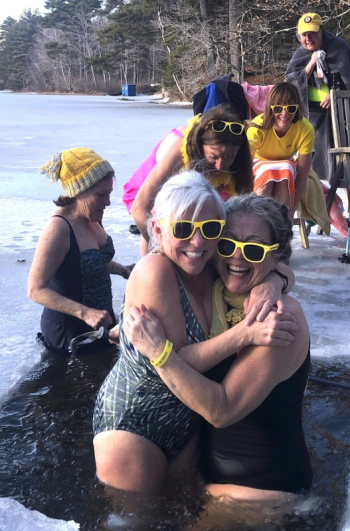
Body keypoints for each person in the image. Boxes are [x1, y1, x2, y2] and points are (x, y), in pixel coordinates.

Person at [93, 171, 297, 493]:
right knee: (135, 521)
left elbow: (275, 261)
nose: (198, 241)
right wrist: (246, 333)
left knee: (181, 514)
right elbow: (178, 360)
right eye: (184, 229)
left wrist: (275, 282)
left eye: (211, 229)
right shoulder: (156, 271)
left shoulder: (211, 262)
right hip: (136, 422)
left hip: (189, 419)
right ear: (158, 230)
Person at [27, 147, 133, 357]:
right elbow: (35, 289)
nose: (108, 202)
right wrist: (85, 313)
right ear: (78, 191)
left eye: (109, 193)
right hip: (69, 332)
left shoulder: (91, 215)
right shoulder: (59, 228)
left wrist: (122, 270)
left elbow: (90, 260)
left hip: (99, 322)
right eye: (101, 194)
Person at [122, 104, 253, 254]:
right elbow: (140, 208)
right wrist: (162, 250)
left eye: (229, 158)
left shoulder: (241, 159)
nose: (220, 166)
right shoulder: (180, 146)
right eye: (213, 157)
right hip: (149, 197)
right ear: (199, 145)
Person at [286, 12, 350, 184]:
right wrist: (312, 63)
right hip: (311, 115)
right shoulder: (301, 53)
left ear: (321, 31)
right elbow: (290, 81)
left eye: (312, 33)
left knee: (340, 160)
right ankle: (317, 192)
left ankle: (342, 201)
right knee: (313, 160)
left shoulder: (338, 47)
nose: (308, 39)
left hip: (338, 115)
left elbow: (347, 79)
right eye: (304, 35)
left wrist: (334, 94)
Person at [247, 82, 314, 219]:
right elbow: (245, 166)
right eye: (278, 108)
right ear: (270, 108)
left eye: (291, 108)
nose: (284, 114)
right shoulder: (257, 128)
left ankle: (283, 220)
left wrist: (294, 207)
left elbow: (302, 172)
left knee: (286, 168)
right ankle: (259, 219)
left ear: (297, 109)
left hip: (286, 168)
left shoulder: (305, 129)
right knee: (271, 171)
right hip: (259, 164)